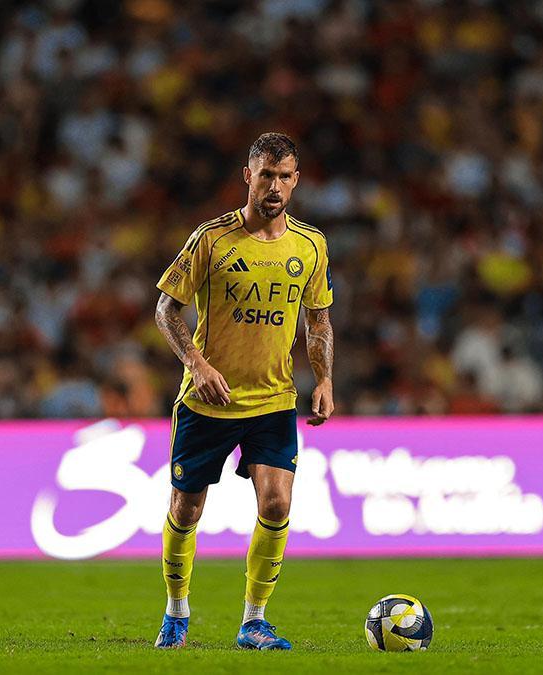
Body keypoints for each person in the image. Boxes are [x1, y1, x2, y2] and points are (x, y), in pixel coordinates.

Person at [151, 132, 335, 650]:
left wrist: (323, 379)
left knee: (276, 506)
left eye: (284, 176)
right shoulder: (211, 239)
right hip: (208, 402)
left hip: (274, 400)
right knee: (187, 510)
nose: (274, 186)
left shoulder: (310, 245)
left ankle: (253, 621)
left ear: (296, 180)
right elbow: (166, 309)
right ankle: (177, 612)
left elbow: (318, 320)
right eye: (265, 175)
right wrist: (197, 362)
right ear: (247, 176)